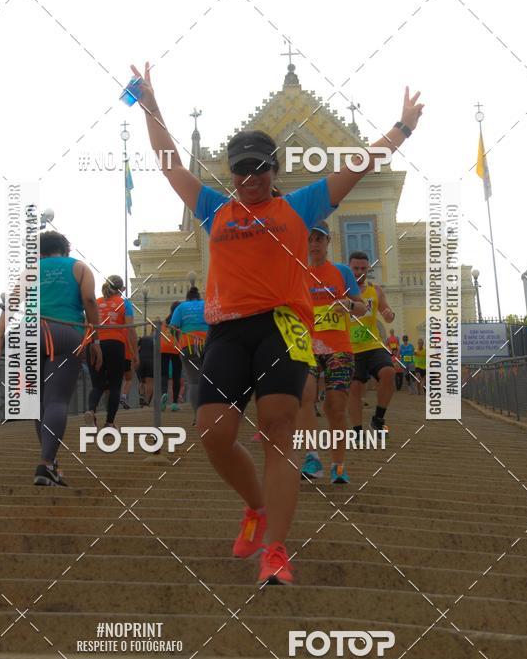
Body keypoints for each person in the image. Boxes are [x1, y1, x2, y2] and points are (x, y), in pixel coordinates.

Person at [131, 60, 423, 585]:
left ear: (274, 170)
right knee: (213, 433)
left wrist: (400, 128)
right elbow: (168, 161)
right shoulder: (215, 208)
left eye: (258, 170)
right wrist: (151, 107)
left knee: (279, 427)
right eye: (240, 170)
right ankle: (257, 506)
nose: (249, 179)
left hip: (284, 326)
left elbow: (357, 165)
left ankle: (277, 549)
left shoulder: (301, 204)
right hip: (228, 331)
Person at [0, 231, 102, 487]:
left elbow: (11, 303)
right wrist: (96, 339)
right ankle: (46, 463)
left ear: (39, 251)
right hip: (66, 333)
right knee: (56, 400)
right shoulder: (79, 267)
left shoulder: (31, 270)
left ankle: (49, 462)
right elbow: (90, 300)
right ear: (65, 250)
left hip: (29, 335)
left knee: (38, 404)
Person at [298, 221, 366, 484]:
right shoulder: (297, 272)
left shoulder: (341, 273)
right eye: (311, 239)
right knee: (305, 395)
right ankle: (312, 457)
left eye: (320, 239)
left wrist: (348, 304)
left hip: (338, 349)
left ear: (328, 242)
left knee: (335, 407)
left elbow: (363, 308)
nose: (315, 244)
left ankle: (338, 465)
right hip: (306, 347)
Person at [347, 251, 397, 434]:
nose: (359, 272)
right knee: (355, 388)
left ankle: (378, 418)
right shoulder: (341, 290)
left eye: (363, 268)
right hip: (350, 348)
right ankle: (357, 430)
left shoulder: (375, 290)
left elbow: (387, 312)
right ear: (349, 268)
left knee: (389, 372)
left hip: (373, 344)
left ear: (368, 269)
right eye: (355, 268)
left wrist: (389, 314)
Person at [84, 275, 137, 434]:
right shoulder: (124, 303)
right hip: (115, 344)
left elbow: (87, 325)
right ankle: (109, 423)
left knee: (97, 385)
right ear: (122, 289)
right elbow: (130, 329)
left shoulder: (96, 302)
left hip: (94, 343)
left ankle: (91, 412)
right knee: (115, 385)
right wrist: (135, 354)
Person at [170, 286, 209, 422]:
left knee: (194, 381)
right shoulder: (206, 304)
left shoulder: (181, 307)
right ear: (199, 296)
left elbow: (173, 327)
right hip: (207, 344)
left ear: (187, 297)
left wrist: (177, 340)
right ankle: (211, 413)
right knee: (209, 380)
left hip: (187, 345)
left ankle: (197, 416)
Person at [160, 301, 182, 411]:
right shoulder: (178, 320)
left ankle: (163, 394)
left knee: (164, 374)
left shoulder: (165, 321)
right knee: (176, 376)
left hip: (163, 348)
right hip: (175, 348)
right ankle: (174, 403)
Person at [136, 332, 154, 406]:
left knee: (141, 381)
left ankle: (141, 396)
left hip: (141, 360)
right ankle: (147, 402)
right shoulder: (156, 339)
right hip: (151, 361)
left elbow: (137, 349)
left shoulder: (142, 339)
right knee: (149, 383)